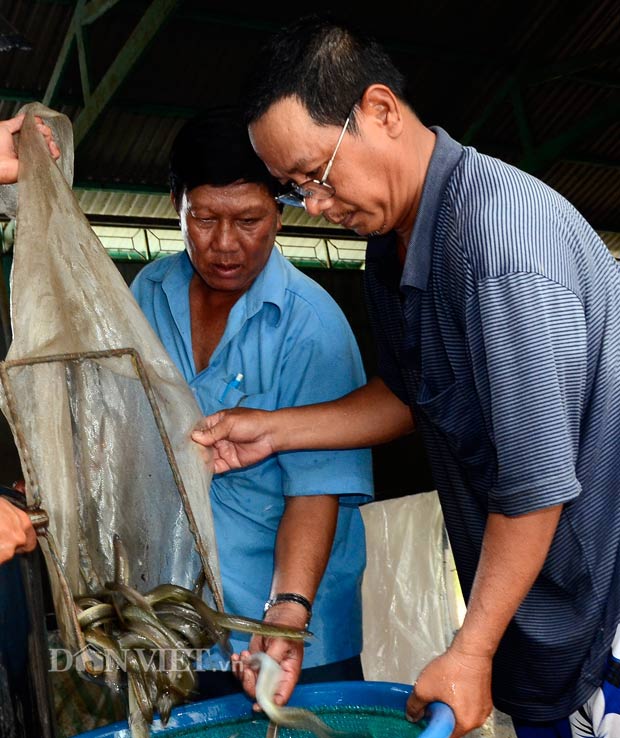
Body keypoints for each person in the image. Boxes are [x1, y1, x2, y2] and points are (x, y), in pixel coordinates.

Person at [190, 13, 620, 738]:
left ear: (381, 110)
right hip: (535, 602)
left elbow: (539, 480)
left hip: (598, 609)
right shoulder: (396, 245)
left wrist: (470, 648)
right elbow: (411, 394)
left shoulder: (502, 245)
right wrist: (274, 431)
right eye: (298, 191)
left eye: (318, 177)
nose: (320, 208)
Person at [129, 108, 373, 704]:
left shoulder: (310, 325)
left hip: (290, 625)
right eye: (204, 218)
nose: (225, 245)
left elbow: (317, 489)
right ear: (175, 204)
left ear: (281, 211)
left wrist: (284, 613)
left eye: (249, 220)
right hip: (179, 621)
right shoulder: (147, 294)